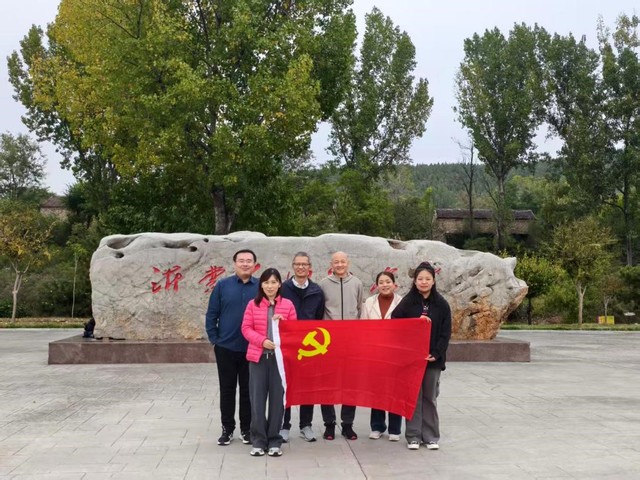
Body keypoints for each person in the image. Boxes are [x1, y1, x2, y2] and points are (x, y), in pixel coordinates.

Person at [391, 261, 452, 451]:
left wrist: (437, 353)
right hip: (413, 360)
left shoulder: (441, 304)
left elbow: (446, 332)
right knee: (413, 398)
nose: (424, 282)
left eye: (427, 278)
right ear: (415, 281)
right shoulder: (408, 302)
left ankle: (431, 436)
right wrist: (414, 322)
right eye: (420, 279)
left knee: (430, 398)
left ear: (433, 281)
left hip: (432, 360)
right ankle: (413, 436)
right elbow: (395, 321)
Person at [241, 268, 298, 457]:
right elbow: (246, 328)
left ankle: (274, 440)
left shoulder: (288, 305)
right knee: (257, 400)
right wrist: (261, 341)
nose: (270, 286)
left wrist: (284, 323)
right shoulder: (253, 304)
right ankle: (258, 440)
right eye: (266, 282)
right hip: (258, 358)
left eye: (274, 282)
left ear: (280, 284)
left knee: (277, 401)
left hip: (279, 360)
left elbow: (295, 331)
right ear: (261, 285)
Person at [205, 249, 259, 446]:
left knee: (248, 391)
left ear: (255, 264)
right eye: (241, 260)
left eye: (249, 261)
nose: (245, 264)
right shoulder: (222, 285)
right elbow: (212, 314)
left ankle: (247, 429)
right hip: (226, 347)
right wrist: (215, 339)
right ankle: (227, 429)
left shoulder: (261, 286)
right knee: (227, 390)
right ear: (235, 263)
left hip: (251, 347)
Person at [279, 252, 325, 443]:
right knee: (286, 385)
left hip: (309, 346)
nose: (301, 267)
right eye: (297, 264)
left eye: (304, 264)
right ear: (293, 266)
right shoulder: (283, 288)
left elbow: (319, 317)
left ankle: (306, 425)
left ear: (309, 267)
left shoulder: (316, 291)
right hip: (287, 344)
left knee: (308, 385)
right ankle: (284, 425)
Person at [318, 251, 364, 441]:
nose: (339, 265)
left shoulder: (357, 283)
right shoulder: (323, 284)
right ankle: (329, 425)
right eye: (336, 262)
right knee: (327, 384)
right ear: (331, 264)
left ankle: (347, 425)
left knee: (350, 384)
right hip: (329, 342)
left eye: (342, 261)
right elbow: (320, 310)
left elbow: (360, 309)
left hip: (351, 341)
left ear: (348, 263)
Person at [362, 271, 404, 442]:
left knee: (395, 390)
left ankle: (395, 428)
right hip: (375, 352)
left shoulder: (402, 302)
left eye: (388, 282)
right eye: (381, 282)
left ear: (394, 284)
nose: (385, 285)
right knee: (377, 391)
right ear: (377, 285)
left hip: (395, 353)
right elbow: (363, 326)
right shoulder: (369, 302)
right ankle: (377, 426)